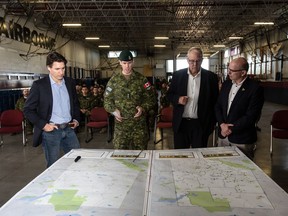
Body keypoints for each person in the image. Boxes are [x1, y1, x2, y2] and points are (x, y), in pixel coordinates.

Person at [24, 51, 80, 167]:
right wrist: (44, 125)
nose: (61, 72)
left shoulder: (70, 82)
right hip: (51, 132)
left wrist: (76, 119)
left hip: (69, 130)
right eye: (57, 69)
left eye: (63, 68)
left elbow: (75, 103)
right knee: (53, 166)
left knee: (78, 161)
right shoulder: (39, 85)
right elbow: (28, 110)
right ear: (49, 68)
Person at [167, 47, 219, 149]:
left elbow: (215, 102)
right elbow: (169, 95)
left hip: (201, 125)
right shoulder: (178, 75)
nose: (194, 64)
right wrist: (178, 99)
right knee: (181, 156)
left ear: (202, 60)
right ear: (187, 60)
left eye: (197, 61)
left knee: (199, 157)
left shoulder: (210, 77)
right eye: (191, 61)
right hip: (181, 124)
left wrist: (211, 124)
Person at [104, 50, 155, 150]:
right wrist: (114, 111)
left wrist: (143, 108)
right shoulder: (113, 81)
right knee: (121, 159)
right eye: (124, 63)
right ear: (120, 63)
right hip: (121, 128)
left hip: (138, 127)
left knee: (141, 158)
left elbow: (151, 99)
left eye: (129, 63)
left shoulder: (141, 79)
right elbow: (107, 101)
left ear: (133, 62)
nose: (127, 66)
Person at [215, 57, 264, 159]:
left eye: (232, 70)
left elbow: (251, 116)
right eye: (229, 69)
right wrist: (222, 124)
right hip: (223, 135)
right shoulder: (226, 84)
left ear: (243, 72)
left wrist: (231, 128)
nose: (229, 73)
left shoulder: (255, 89)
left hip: (242, 138)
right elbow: (218, 106)